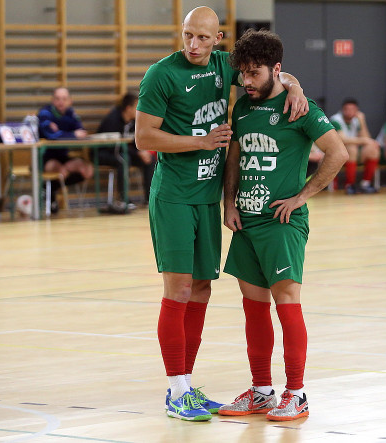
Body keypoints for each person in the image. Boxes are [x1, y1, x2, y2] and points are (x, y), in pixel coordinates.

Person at [135, 6, 309, 422]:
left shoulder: (221, 66)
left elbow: (268, 71)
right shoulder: (161, 74)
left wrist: (296, 86)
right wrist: (201, 142)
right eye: (187, 35)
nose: (193, 45)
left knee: (201, 290)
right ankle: (177, 390)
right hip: (174, 197)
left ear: (217, 39)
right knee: (178, 289)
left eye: (202, 37)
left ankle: (187, 385)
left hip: (207, 199)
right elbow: (143, 137)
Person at [219, 29, 348, 421]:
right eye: (243, 73)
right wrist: (229, 202)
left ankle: (297, 392)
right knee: (253, 308)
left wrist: (301, 197)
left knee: (287, 304)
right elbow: (234, 158)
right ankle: (261, 391)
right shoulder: (243, 106)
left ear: (276, 69)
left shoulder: (299, 107)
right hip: (246, 221)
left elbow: (337, 153)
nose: (247, 80)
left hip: (281, 221)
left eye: (255, 73)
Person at [96, 92, 155, 204]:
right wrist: (137, 153)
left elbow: (135, 141)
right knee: (124, 160)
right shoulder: (112, 120)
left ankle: (150, 199)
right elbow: (113, 146)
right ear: (128, 108)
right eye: (137, 107)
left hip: (125, 153)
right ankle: (123, 200)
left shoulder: (134, 122)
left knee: (150, 160)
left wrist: (142, 152)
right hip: (104, 153)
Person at [38, 87, 94, 186]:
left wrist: (64, 133)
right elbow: (52, 136)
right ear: (52, 100)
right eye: (57, 99)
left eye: (64, 99)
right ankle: (47, 190)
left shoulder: (70, 113)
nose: (61, 102)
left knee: (88, 170)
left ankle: (54, 189)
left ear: (70, 101)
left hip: (63, 156)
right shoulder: (45, 113)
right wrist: (73, 135)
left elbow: (81, 132)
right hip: (45, 157)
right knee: (61, 172)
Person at [329, 98, 380, 194]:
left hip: (353, 154)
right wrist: (363, 140)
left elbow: (366, 138)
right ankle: (349, 185)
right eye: (347, 109)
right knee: (352, 149)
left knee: (373, 150)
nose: (349, 112)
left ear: (357, 111)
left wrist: (362, 121)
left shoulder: (356, 120)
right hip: (336, 155)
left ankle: (365, 184)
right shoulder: (336, 120)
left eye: (352, 109)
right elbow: (343, 140)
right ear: (343, 110)